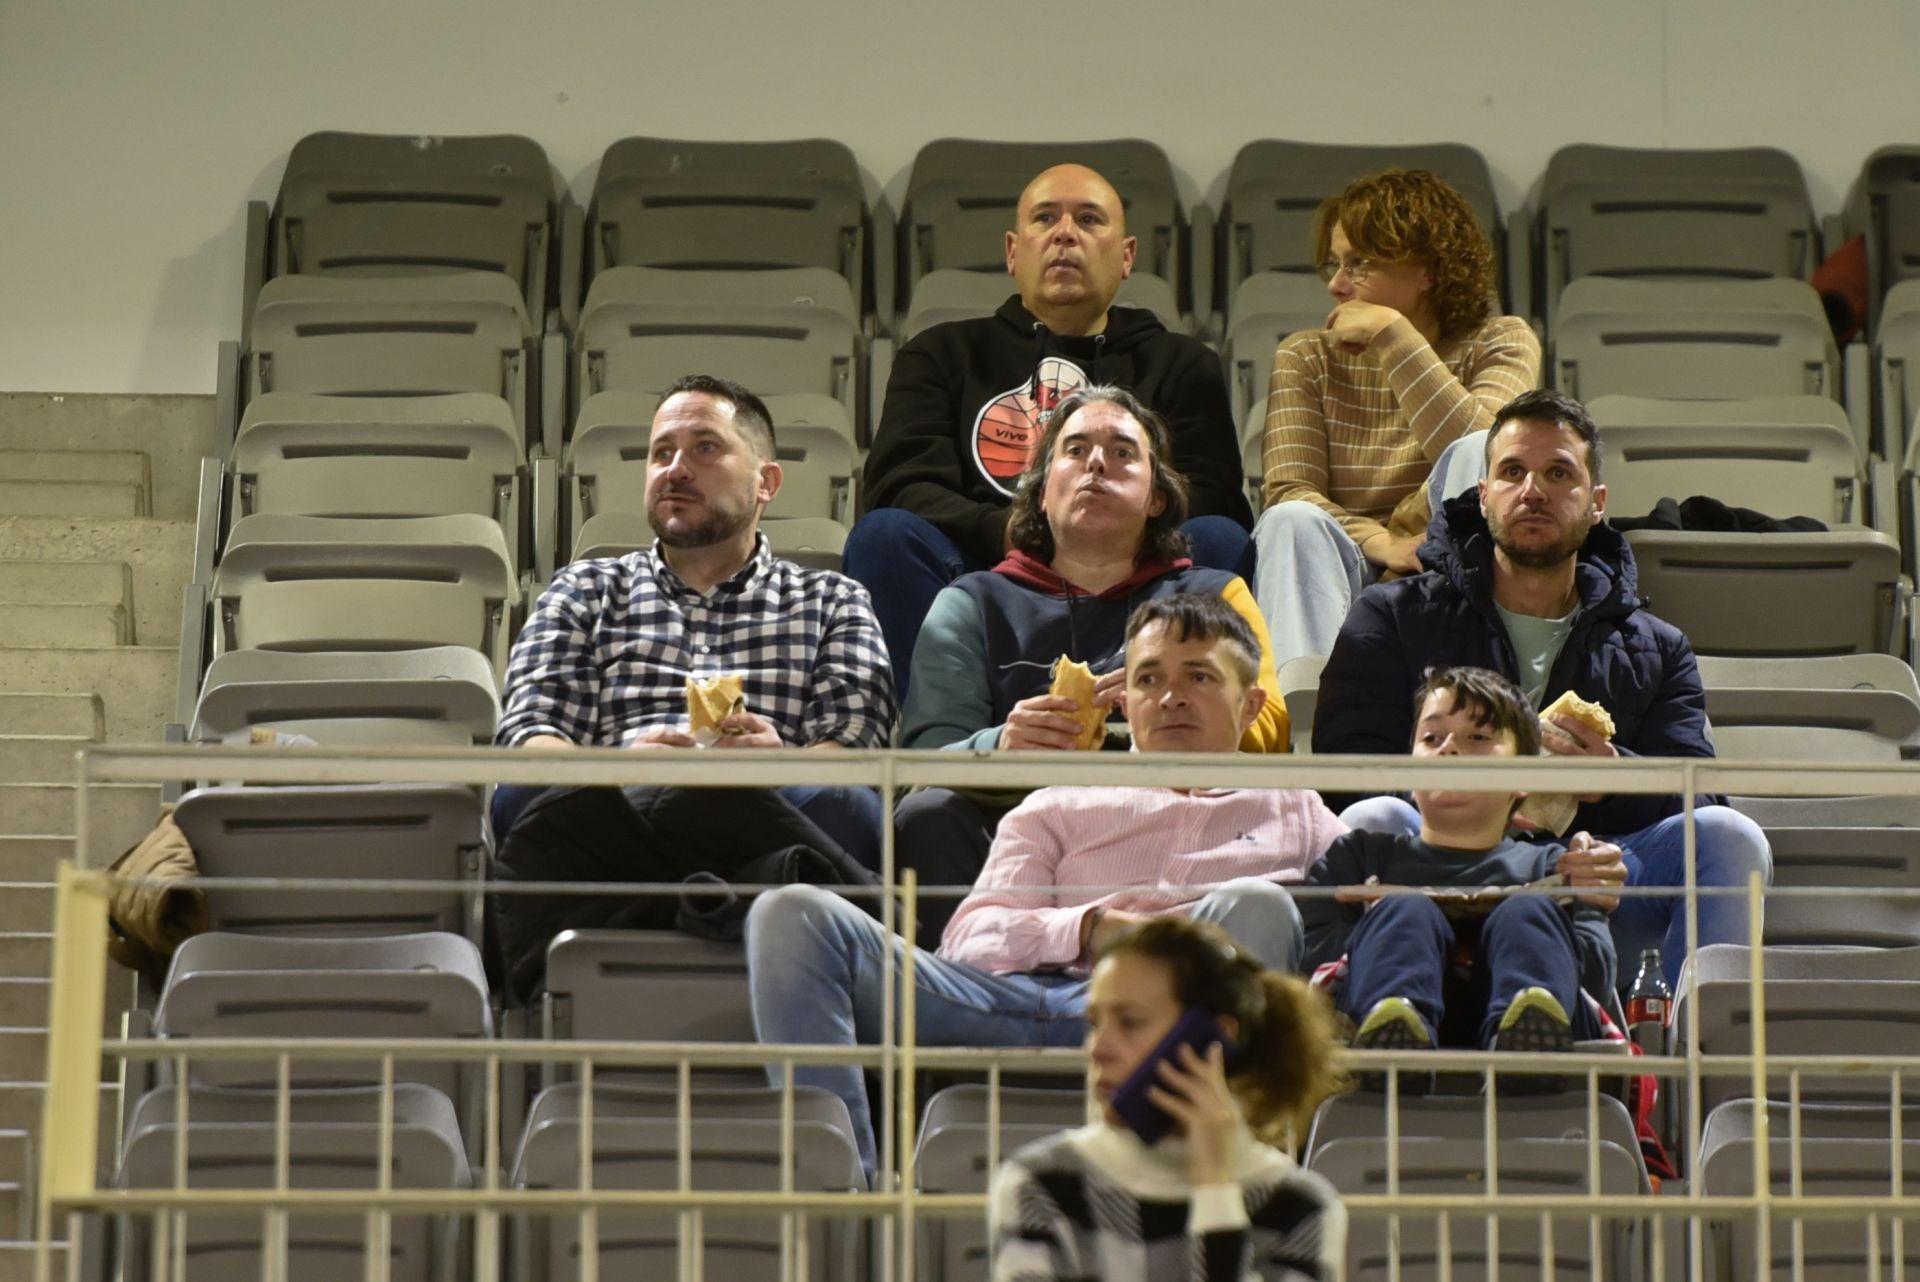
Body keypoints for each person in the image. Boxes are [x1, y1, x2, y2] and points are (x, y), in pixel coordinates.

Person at [746, 594, 1345, 1175]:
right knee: (791, 912)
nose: (1170, 698)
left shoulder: (1298, 808)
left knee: (1256, 905)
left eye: (1199, 678)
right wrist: (1089, 929)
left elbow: (1359, 922)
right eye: (1148, 679)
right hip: (1019, 1001)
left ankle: (1197, 1181)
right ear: (1123, 701)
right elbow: (971, 941)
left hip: (1172, 1019)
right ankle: (834, 1196)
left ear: (1250, 705)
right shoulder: (1058, 800)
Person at [1313, 388, 1770, 986]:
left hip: (1596, 871)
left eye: (1559, 473)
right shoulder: (1392, 614)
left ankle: (1702, 1064)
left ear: (1596, 502)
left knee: (1729, 837)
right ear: (1484, 496)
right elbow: (1347, 776)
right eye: (1512, 472)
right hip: (1438, 861)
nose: (1533, 491)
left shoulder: (1658, 647)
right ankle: (1381, 1026)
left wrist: (1611, 775)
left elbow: (1701, 796)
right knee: (1375, 814)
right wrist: (1481, 802)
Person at [898, 385, 1291, 945]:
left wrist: (1151, 730)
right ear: (1040, 493)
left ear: (1156, 495)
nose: (1098, 464)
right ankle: (969, 980)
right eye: (1076, 450)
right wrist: (1002, 747)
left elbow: (1270, 727)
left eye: (1123, 452)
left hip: (1180, 824)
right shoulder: (972, 602)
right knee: (930, 815)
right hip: (1018, 829)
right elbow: (922, 762)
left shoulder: (1214, 594)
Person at [851, 163, 1252, 694]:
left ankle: (1187, 723)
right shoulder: (940, 353)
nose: (1065, 233)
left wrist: (1109, 537)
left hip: (1135, 570)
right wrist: (1015, 532)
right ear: (1014, 252)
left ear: (1128, 255)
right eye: (1046, 219)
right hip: (986, 569)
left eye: (1089, 219)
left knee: (1218, 538)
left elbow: (1212, 494)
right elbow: (900, 485)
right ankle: (931, 733)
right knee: (885, 537)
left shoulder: (1181, 362)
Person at [492, 373, 895, 870]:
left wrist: (783, 763)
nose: (675, 469)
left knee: (847, 804)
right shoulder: (581, 591)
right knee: (520, 792)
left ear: (765, 482)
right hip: (615, 826)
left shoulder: (834, 601)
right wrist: (616, 771)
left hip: (770, 828)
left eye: (705, 448)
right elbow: (532, 731)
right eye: (661, 453)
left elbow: (855, 746)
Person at [1252, 168, 1542, 668]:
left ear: (1428, 270)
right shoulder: (1307, 356)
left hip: (1448, 562)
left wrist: (1393, 338)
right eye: (1333, 265)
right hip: (1345, 560)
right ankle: (1307, 719)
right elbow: (1289, 489)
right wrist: (1383, 542)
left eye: (1359, 264)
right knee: (1290, 521)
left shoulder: (1502, 341)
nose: (1338, 286)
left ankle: (1462, 689)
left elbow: (1490, 461)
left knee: (1486, 450)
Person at [1302, 668, 1622, 1080]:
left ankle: (1527, 1038)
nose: (1449, 749)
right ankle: (1396, 1032)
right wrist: (1381, 923)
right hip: (1369, 1036)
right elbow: (1312, 964)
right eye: (1431, 739)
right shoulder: (1360, 856)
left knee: (1529, 910)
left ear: (1524, 779)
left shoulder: (1555, 867)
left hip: (1549, 1046)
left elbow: (1594, 976)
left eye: (1478, 738)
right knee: (1404, 911)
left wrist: (1584, 900)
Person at [988, 917, 1347, 1282]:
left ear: (1215, 1038)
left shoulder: (1300, 1207)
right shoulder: (1042, 1184)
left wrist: (1215, 1188)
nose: (1099, 1049)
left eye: (1130, 1022)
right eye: (1095, 1024)